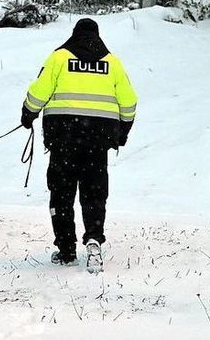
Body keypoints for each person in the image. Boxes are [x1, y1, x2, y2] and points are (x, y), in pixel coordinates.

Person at [21, 18, 137, 271]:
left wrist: (28, 114)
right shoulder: (112, 62)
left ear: (74, 35)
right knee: (94, 193)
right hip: (97, 142)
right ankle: (94, 240)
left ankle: (66, 248)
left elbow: (39, 91)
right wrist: (122, 132)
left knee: (61, 194)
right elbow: (129, 102)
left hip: (63, 139)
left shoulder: (59, 58)